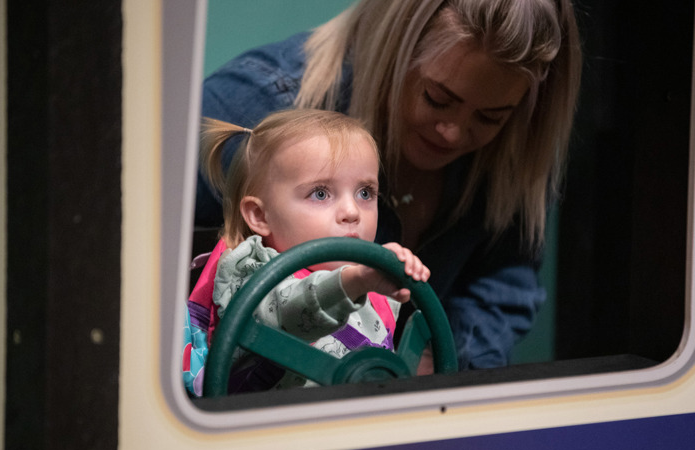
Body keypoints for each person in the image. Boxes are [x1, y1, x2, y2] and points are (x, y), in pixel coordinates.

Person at [196, 0, 582, 370]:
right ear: (395, 47)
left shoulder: (516, 146)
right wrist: (355, 281)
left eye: (490, 118)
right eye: (436, 99)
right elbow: (277, 310)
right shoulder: (257, 104)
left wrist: (439, 363)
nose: (453, 133)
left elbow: (502, 284)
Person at [184, 109, 430, 396]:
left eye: (365, 192)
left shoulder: (366, 278)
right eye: (321, 194)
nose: (352, 212)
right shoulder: (249, 274)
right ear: (260, 216)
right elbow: (292, 309)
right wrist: (357, 280)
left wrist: (393, 276)